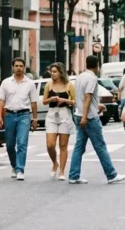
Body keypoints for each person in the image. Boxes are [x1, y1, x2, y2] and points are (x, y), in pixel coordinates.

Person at [69, 55, 125, 184]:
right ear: (97, 65)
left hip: (79, 114)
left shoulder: (80, 77)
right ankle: (111, 174)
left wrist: (95, 106)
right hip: (89, 117)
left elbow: (81, 97)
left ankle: (73, 175)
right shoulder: (92, 78)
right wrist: (85, 116)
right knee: (100, 146)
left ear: (86, 64)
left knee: (79, 147)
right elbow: (88, 97)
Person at [0, 57, 38, 181]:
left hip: (24, 115)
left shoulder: (30, 83)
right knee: (9, 145)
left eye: (21, 66)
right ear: (13, 67)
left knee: (22, 143)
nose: (19, 68)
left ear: (24, 68)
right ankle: (14, 165)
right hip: (9, 115)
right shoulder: (6, 82)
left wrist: (35, 119)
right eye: (16, 66)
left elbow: (34, 102)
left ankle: (20, 169)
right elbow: (1, 100)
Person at [43, 62, 75, 181]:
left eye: (55, 71)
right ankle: (54, 162)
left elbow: (74, 101)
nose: (52, 73)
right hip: (52, 114)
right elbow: (44, 101)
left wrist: (65, 100)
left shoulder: (69, 85)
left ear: (61, 72)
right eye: (51, 71)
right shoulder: (48, 84)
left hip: (64, 114)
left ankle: (61, 170)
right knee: (50, 144)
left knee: (63, 145)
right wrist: (51, 99)